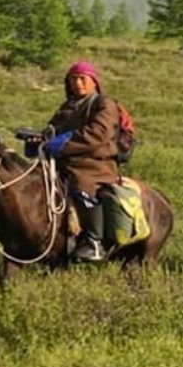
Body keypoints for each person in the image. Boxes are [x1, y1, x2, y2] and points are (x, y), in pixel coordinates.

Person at [41, 60, 121, 262]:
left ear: (94, 82)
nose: (78, 83)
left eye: (82, 79)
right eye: (73, 79)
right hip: (65, 162)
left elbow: (96, 134)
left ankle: (94, 241)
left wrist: (61, 144)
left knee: (82, 185)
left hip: (94, 164)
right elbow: (52, 130)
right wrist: (40, 138)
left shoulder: (104, 104)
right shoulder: (66, 106)